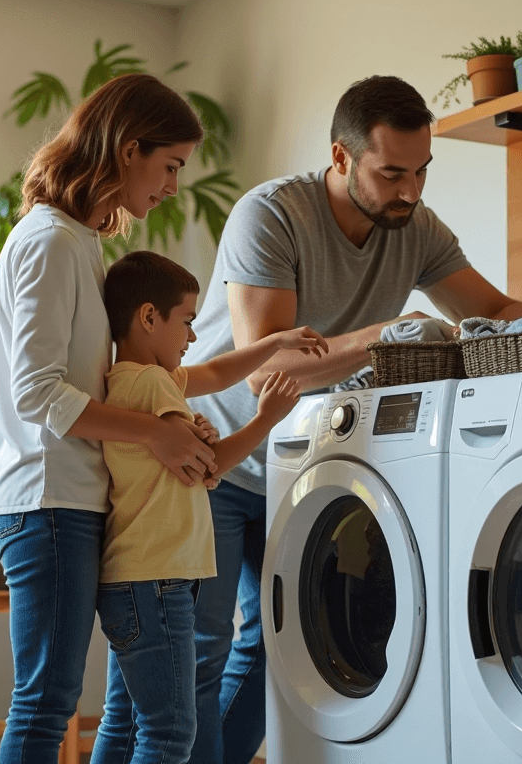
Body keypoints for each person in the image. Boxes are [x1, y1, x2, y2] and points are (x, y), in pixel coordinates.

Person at [184, 74, 522, 764]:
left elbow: (489, 310)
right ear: (341, 158)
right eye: (392, 173)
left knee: (277, 642)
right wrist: (386, 334)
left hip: (301, 463)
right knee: (203, 648)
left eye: (421, 171)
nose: (410, 191)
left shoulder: (414, 226)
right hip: (215, 455)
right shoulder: (272, 214)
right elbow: (267, 370)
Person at [0, 74, 222, 764]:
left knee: (69, 703)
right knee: (46, 700)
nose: (173, 186)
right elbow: (36, 393)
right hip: (46, 499)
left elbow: (101, 383)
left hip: (65, 500)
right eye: (170, 165)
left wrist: (173, 425)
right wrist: (157, 433)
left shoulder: (80, 242)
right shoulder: (52, 242)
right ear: (127, 148)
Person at [90, 250, 327, 764]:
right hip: (158, 580)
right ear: (149, 317)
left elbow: (218, 373)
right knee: (171, 730)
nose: (193, 337)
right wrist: (266, 418)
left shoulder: (128, 378)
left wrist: (275, 342)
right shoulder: (152, 384)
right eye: (187, 322)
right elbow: (210, 463)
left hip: (131, 577)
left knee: (124, 719)